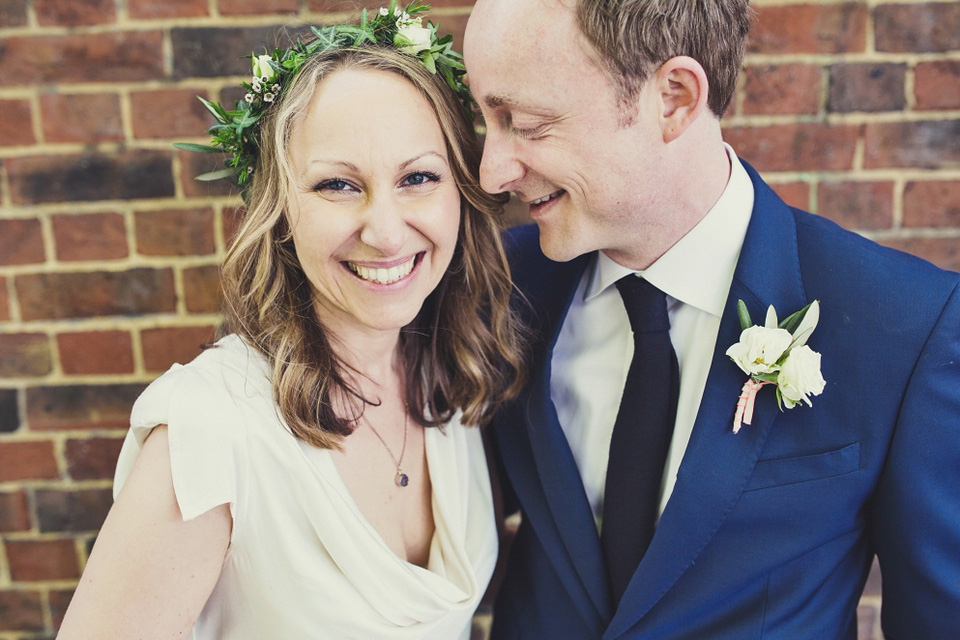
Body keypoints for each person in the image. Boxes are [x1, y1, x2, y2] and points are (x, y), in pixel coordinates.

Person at [463, 0, 960, 638]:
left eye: (526, 124)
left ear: (672, 98)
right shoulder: (497, 284)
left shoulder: (904, 325)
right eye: (486, 120)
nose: (493, 171)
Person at [57, 5, 523, 639]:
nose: (385, 232)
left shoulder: (451, 381)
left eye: (418, 177)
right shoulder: (211, 429)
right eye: (337, 186)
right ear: (279, 210)